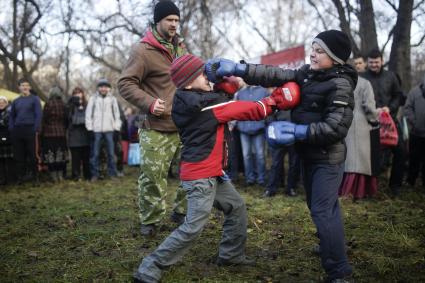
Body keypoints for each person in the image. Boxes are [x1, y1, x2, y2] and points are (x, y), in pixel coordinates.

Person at [133, 53, 299, 283]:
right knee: (192, 228)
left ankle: (230, 255)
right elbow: (246, 110)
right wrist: (273, 102)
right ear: (189, 81)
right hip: (201, 176)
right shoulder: (204, 106)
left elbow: (216, 100)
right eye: (203, 74)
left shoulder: (188, 98)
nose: (208, 76)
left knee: (237, 207)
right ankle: (150, 266)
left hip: (210, 171)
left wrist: (221, 84)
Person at [205, 29, 356, 282]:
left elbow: (337, 127)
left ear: (336, 58)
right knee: (320, 207)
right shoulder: (308, 74)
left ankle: (340, 271)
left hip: (327, 158)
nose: (313, 54)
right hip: (309, 154)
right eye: (313, 48)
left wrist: (299, 131)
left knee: (322, 210)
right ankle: (329, 244)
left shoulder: (340, 85)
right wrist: (241, 69)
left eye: (320, 51)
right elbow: (275, 74)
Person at [117, 0, 187, 236]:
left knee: (191, 172)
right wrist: (149, 102)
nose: (174, 24)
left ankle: (182, 212)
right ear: (158, 21)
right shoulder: (142, 50)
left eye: (177, 20)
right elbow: (125, 83)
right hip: (156, 127)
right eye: (170, 20)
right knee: (153, 179)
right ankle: (151, 221)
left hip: (185, 125)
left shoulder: (182, 48)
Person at [362, 48, 405, 195]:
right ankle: (368, 187)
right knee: (370, 156)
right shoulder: (361, 78)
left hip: (389, 120)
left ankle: (395, 185)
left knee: (401, 151)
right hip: (369, 122)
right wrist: (371, 110)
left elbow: (398, 96)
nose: (374, 64)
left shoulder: (391, 76)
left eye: (377, 62)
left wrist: (390, 107)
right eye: (371, 62)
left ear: (382, 61)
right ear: (367, 62)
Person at [339, 71, 379, 199]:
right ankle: (357, 192)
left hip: (343, 121)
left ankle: (344, 190)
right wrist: (374, 119)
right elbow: (369, 105)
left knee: (349, 160)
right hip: (360, 123)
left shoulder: (340, 81)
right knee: (359, 161)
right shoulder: (365, 83)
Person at [85, 78, 121, 181]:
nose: (103, 88)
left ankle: (112, 174)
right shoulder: (93, 99)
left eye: (105, 87)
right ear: (98, 88)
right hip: (96, 130)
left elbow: (116, 115)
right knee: (95, 153)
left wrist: (116, 128)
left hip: (109, 130)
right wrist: (90, 129)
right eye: (101, 86)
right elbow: (88, 114)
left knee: (111, 153)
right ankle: (94, 175)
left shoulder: (113, 99)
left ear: (109, 88)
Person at [9, 78, 42, 185]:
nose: (25, 87)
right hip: (18, 131)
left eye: (27, 85)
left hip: (30, 130)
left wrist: (35, 128)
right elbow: (12, 117)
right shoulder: (16, 101)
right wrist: (12, 128)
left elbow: (38, 115)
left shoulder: (35, 99)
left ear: (30, 87)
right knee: (19, 155)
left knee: (32, 155)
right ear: (19, 87)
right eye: (23, 85)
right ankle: (20, 177)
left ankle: (35, 177)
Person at [236, 82, 269, 186]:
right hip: (244, 128)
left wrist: (264, 122)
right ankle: (249, 178)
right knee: (246, 155)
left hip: (258, 128)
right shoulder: (240, 93)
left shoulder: (264, 91)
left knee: (260, 155)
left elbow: (269, 108)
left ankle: (261, 178)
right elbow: (236, 109)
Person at [264, 109, 300, 197]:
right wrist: (273, 126)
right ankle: (271, 189)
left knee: (294, 164)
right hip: (279, 133)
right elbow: (269, 114)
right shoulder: (279, 98)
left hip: (294, 135)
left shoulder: (299, 98)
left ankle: (291, 188)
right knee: (276, 163)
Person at [404, 75, 425, 189]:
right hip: (416, 133)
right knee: (414, 158)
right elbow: (407, 108)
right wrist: (415, 123)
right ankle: (410, 181)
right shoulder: (414, 92)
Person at [67, 87, 91, 181]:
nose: (78, 95)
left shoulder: (87, 105)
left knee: (86, 157)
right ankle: (76, 176)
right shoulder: (70, 106)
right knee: (75, 158)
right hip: (74, 135)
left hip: (85, 135)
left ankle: (87, 175)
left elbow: (89, 119)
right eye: (75, 93)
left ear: (82, 94)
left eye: (79, 93)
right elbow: (69, 119)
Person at [0, 96, 15, 185]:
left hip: (7, 139)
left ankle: (10, 179)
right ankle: (2, 179)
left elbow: (6, 123)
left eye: (3, 103)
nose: (1, 104)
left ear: (6, 103)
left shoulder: (9, 113)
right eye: (0, 103)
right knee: (0, 162)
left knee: (9, 160)